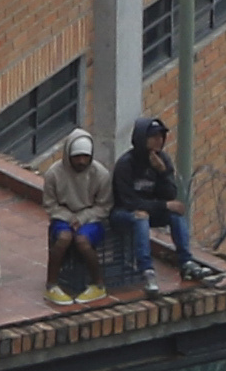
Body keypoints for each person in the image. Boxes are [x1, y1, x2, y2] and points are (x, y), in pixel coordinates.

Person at [112, 115, 191, 291]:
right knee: (141, 217)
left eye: (161, 137)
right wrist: (162, 206)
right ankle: (146, 270)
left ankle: (186, 263)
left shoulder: (162, 160)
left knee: (175, 214)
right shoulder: (126, 164)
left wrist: (162, 172)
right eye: (154, 136)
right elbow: (128, 201)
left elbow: (170, 194)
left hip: (150, 210)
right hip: (123, 213)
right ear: (142, 138)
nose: (159, 140)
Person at [41, 128, 113, 304]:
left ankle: (98, 284)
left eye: (85, 157)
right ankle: (51, 285)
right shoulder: (54, 174)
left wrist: (82, 218)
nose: (81, 161)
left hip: (91, 219)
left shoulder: (101, 175)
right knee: (63, 238)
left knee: (82, 240)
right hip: (62, 217)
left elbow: (104, 206)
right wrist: (68, 218)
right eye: (77, 157)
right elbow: (50, 204)